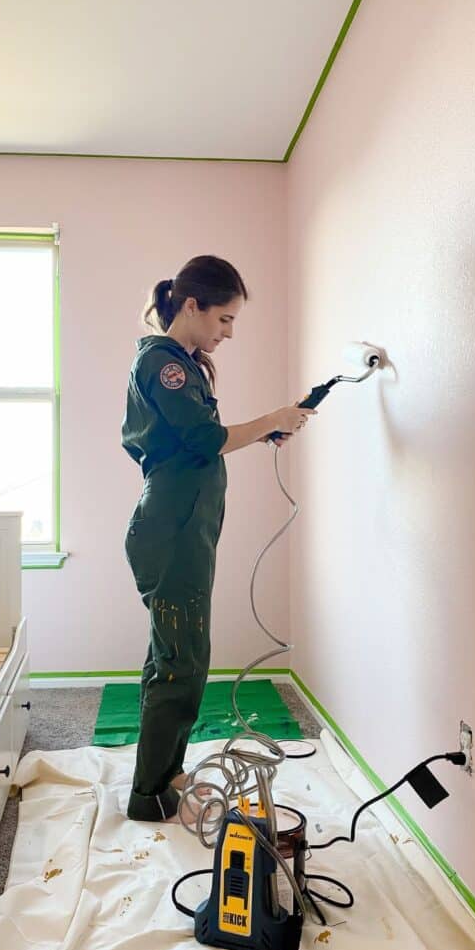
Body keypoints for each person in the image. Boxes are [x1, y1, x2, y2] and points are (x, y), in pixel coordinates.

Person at [121, 255, 315, 822]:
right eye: (224, 319)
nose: (227, 332)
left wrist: (266, 431)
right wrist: (270, 417)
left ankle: (160, 775)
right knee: (181, 662)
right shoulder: (163, 362)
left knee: (178, 658)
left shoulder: (183, 361)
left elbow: (197, 442)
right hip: (172, 530)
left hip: (186, 528)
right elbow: (204, 439)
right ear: (191, 305)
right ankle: (150, 793)